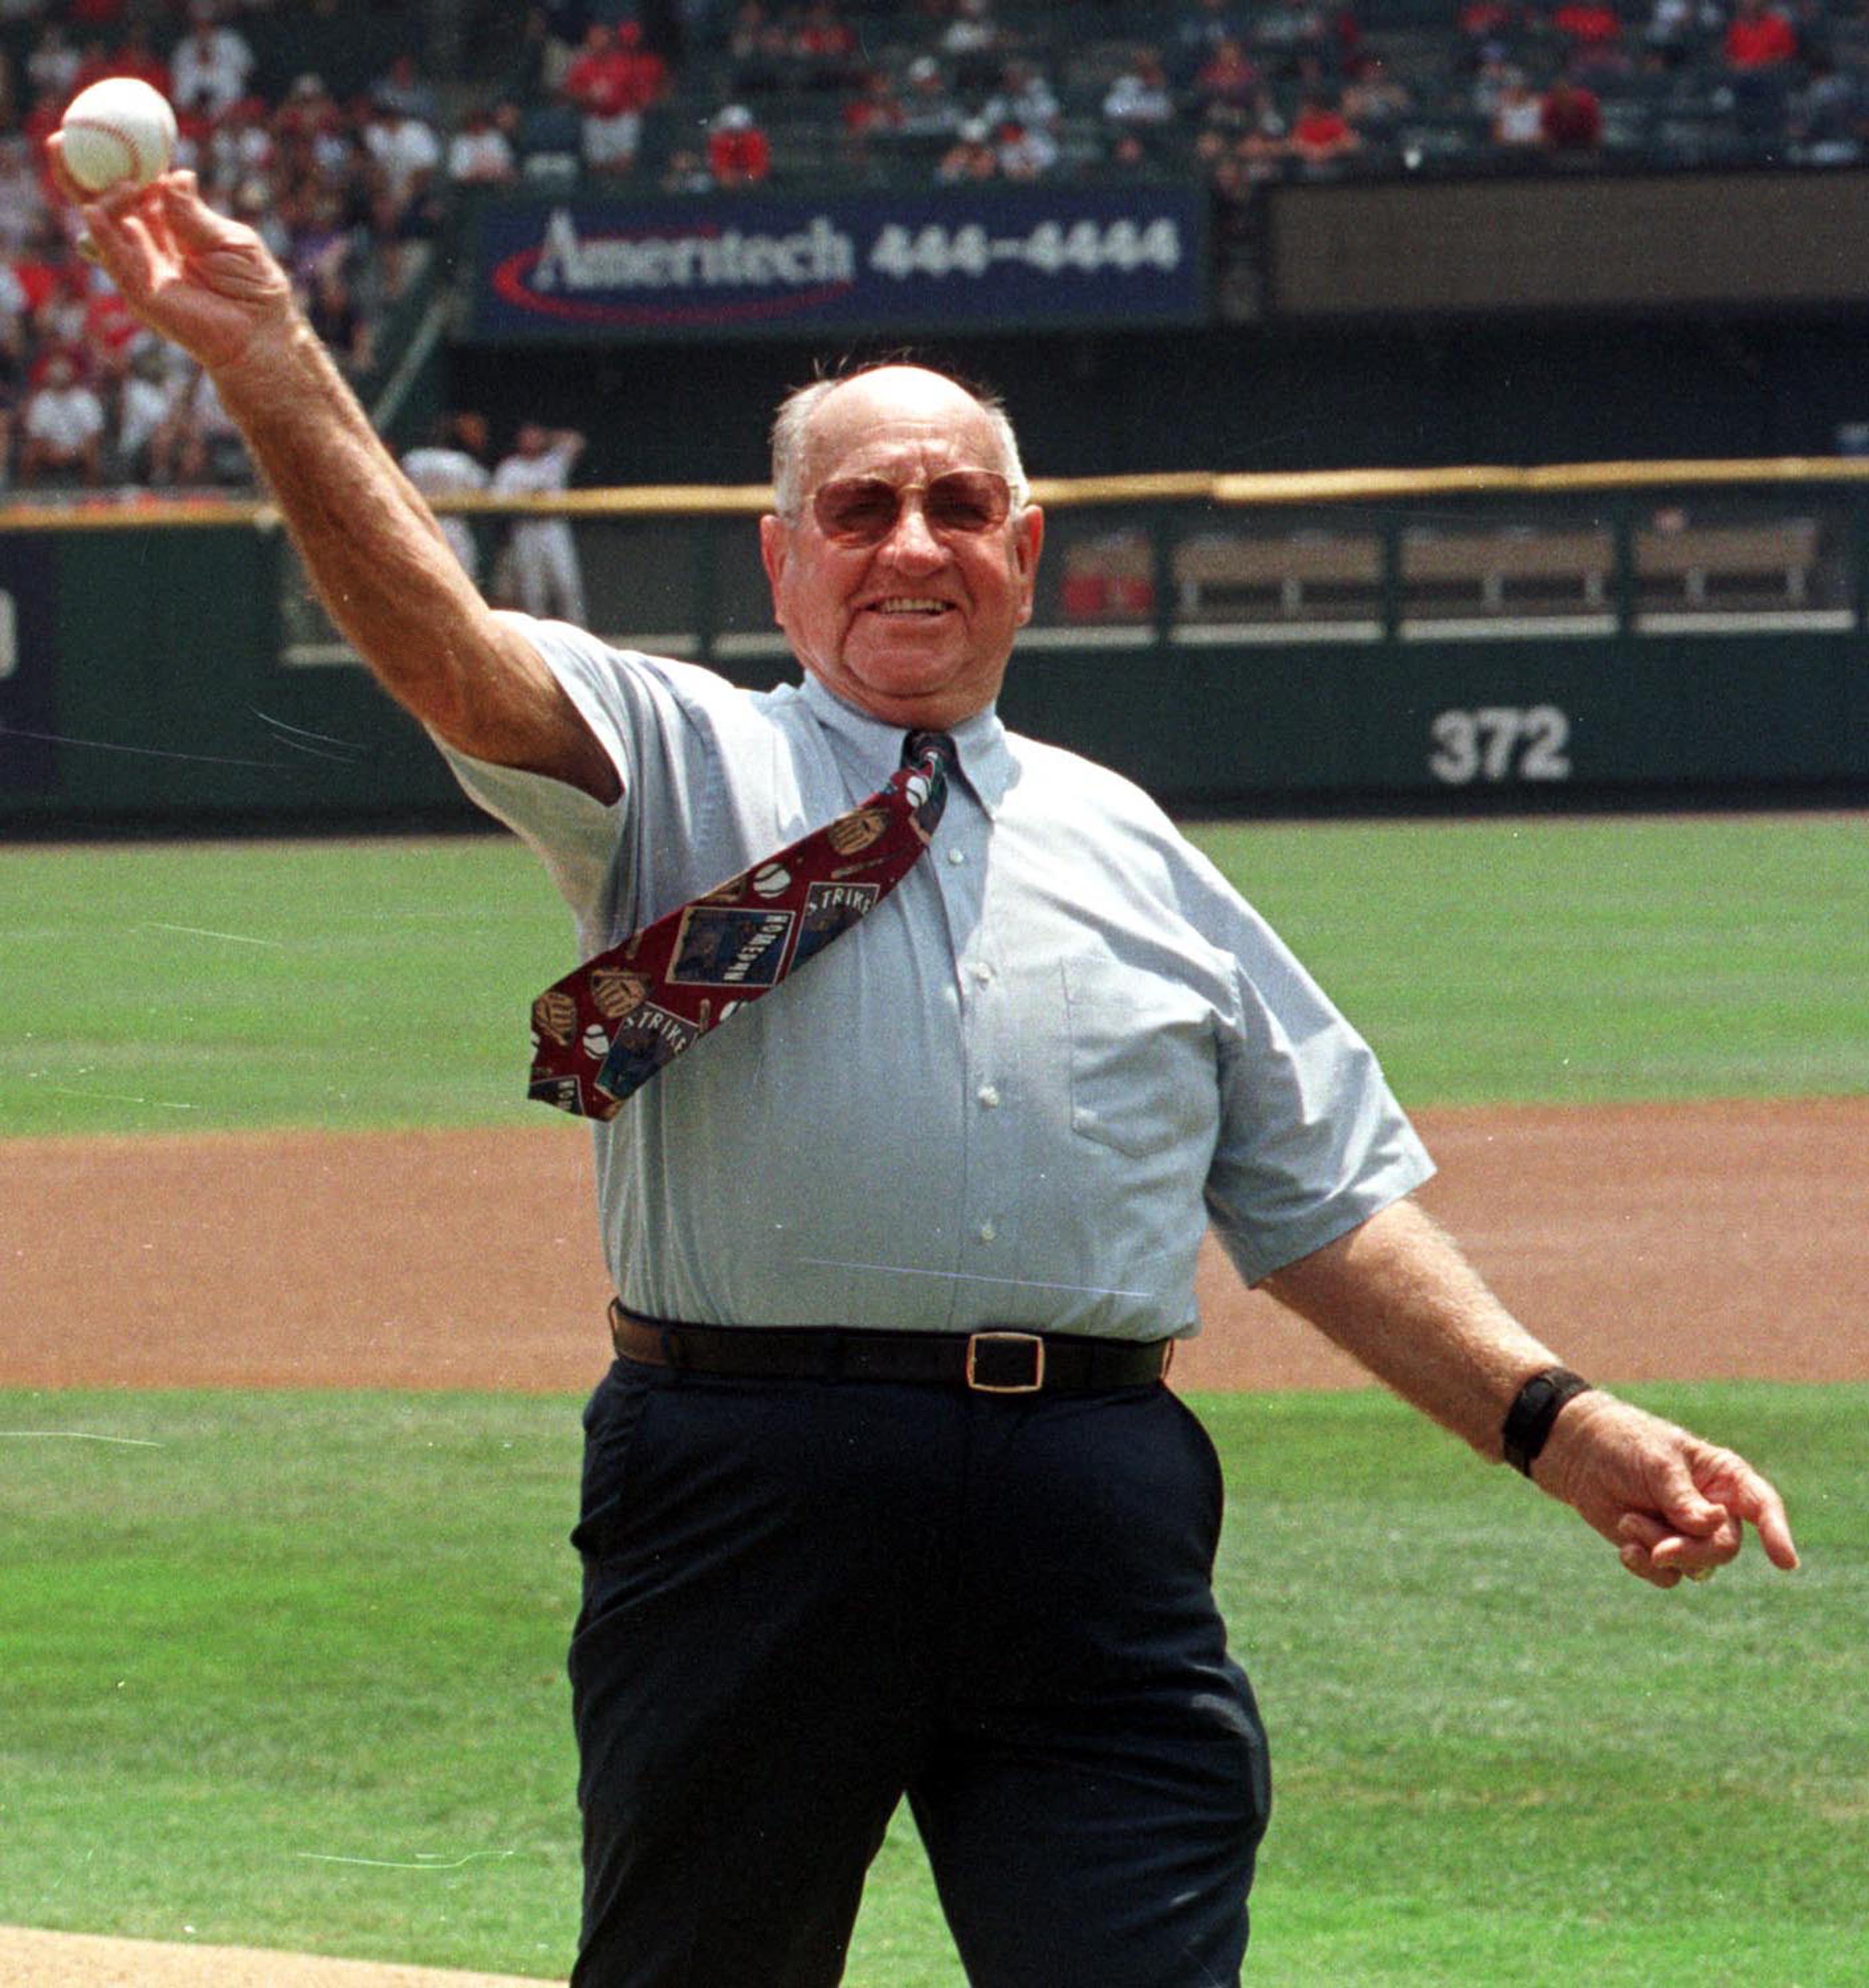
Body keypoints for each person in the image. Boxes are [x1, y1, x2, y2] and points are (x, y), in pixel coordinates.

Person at [53, 152, 1801, 1988]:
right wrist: (273, 368)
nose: (911, 542)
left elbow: (1318, 1204)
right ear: (781, 556)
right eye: (860, 505)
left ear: (1022, 552)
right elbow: (450, 657)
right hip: (747, 1491)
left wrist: (1555, 1419)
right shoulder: (682, 757)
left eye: (959, 505)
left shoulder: (1133, 847)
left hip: (1089, 1509)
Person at [491, 419, 588, 623]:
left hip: (553, 528)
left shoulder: (553, 461)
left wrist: (547, 435)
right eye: (526, 436)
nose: (530, 440)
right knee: (533, 591)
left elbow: (577, 441)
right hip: (525, 530)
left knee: (567, 585)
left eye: (534, 435)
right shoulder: (510, 467)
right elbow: (497, 502)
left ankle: (581, 632)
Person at [400, 410, 491, 584]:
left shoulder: (412, 459)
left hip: (421, 526)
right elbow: (483, 488)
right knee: (463, 584)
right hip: (453, 527)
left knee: (422, 582)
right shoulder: (461, 461)